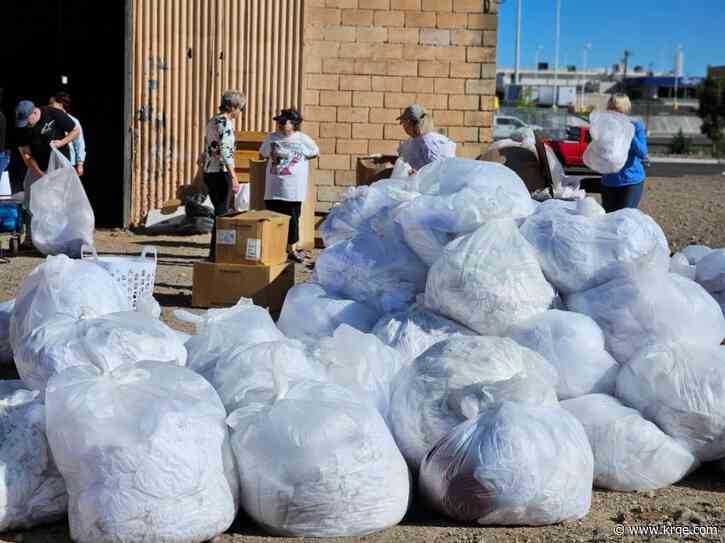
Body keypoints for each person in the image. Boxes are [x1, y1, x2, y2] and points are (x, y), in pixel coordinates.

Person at [15, 99, 80, 247]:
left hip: (58, 163)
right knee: (31, 197)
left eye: (27, 120)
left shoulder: (53, 113)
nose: (25, 124)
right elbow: (26, 155)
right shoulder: (21, 128)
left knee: (59, 200)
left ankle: (62, 238)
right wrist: (40, 174)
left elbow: (76, 130)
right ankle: (31, 239)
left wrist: (61, 142)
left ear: (35, 112)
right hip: (37, 165)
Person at [261, 108, 319, 264]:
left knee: (293, 219)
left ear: (293, 124)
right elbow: (263, 153)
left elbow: (315, 151)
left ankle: (291, 249)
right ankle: (274, 250)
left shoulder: (302, 139)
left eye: (282, 122)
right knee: (273, 219)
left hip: (293, 189)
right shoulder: (271, 138)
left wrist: (300, 156)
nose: (279, 125)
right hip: (273, 188)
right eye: (278, 122)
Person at [202, 89, 246, 260]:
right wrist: (234, 176)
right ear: (233, 106)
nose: (240, 112)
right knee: (222, 213)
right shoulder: (225, 123)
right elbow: (226, 151)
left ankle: (215, 252)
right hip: (221, 172)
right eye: (240, 108)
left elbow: (207, 147)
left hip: (210, 171)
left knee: (219, 212)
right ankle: (216, 253)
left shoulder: (212, 120)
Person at [600, 94, 649, 213]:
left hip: (631, 181)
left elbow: (643, 152)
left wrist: (629, 133)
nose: (612, 113)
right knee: (608, 219)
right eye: (610, 109)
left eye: (616, 109)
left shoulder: (636, 126)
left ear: (625, 110)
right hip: (608, 181)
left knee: (625, 219)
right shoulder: (605, 127)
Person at [397, 104, 456, 173]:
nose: (403, 127)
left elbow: (436, 171)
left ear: (411, 123)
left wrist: (417, 173)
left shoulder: (427, 142)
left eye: (404, 123)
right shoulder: (417, 139)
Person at [49, 91, 86, 177]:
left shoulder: (73, 121)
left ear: (60, 104)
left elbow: (79, 143)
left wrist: (80, 164)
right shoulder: (48, 119)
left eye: (52, 103)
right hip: (51, 162)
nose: (49, 106)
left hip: (68, 161)